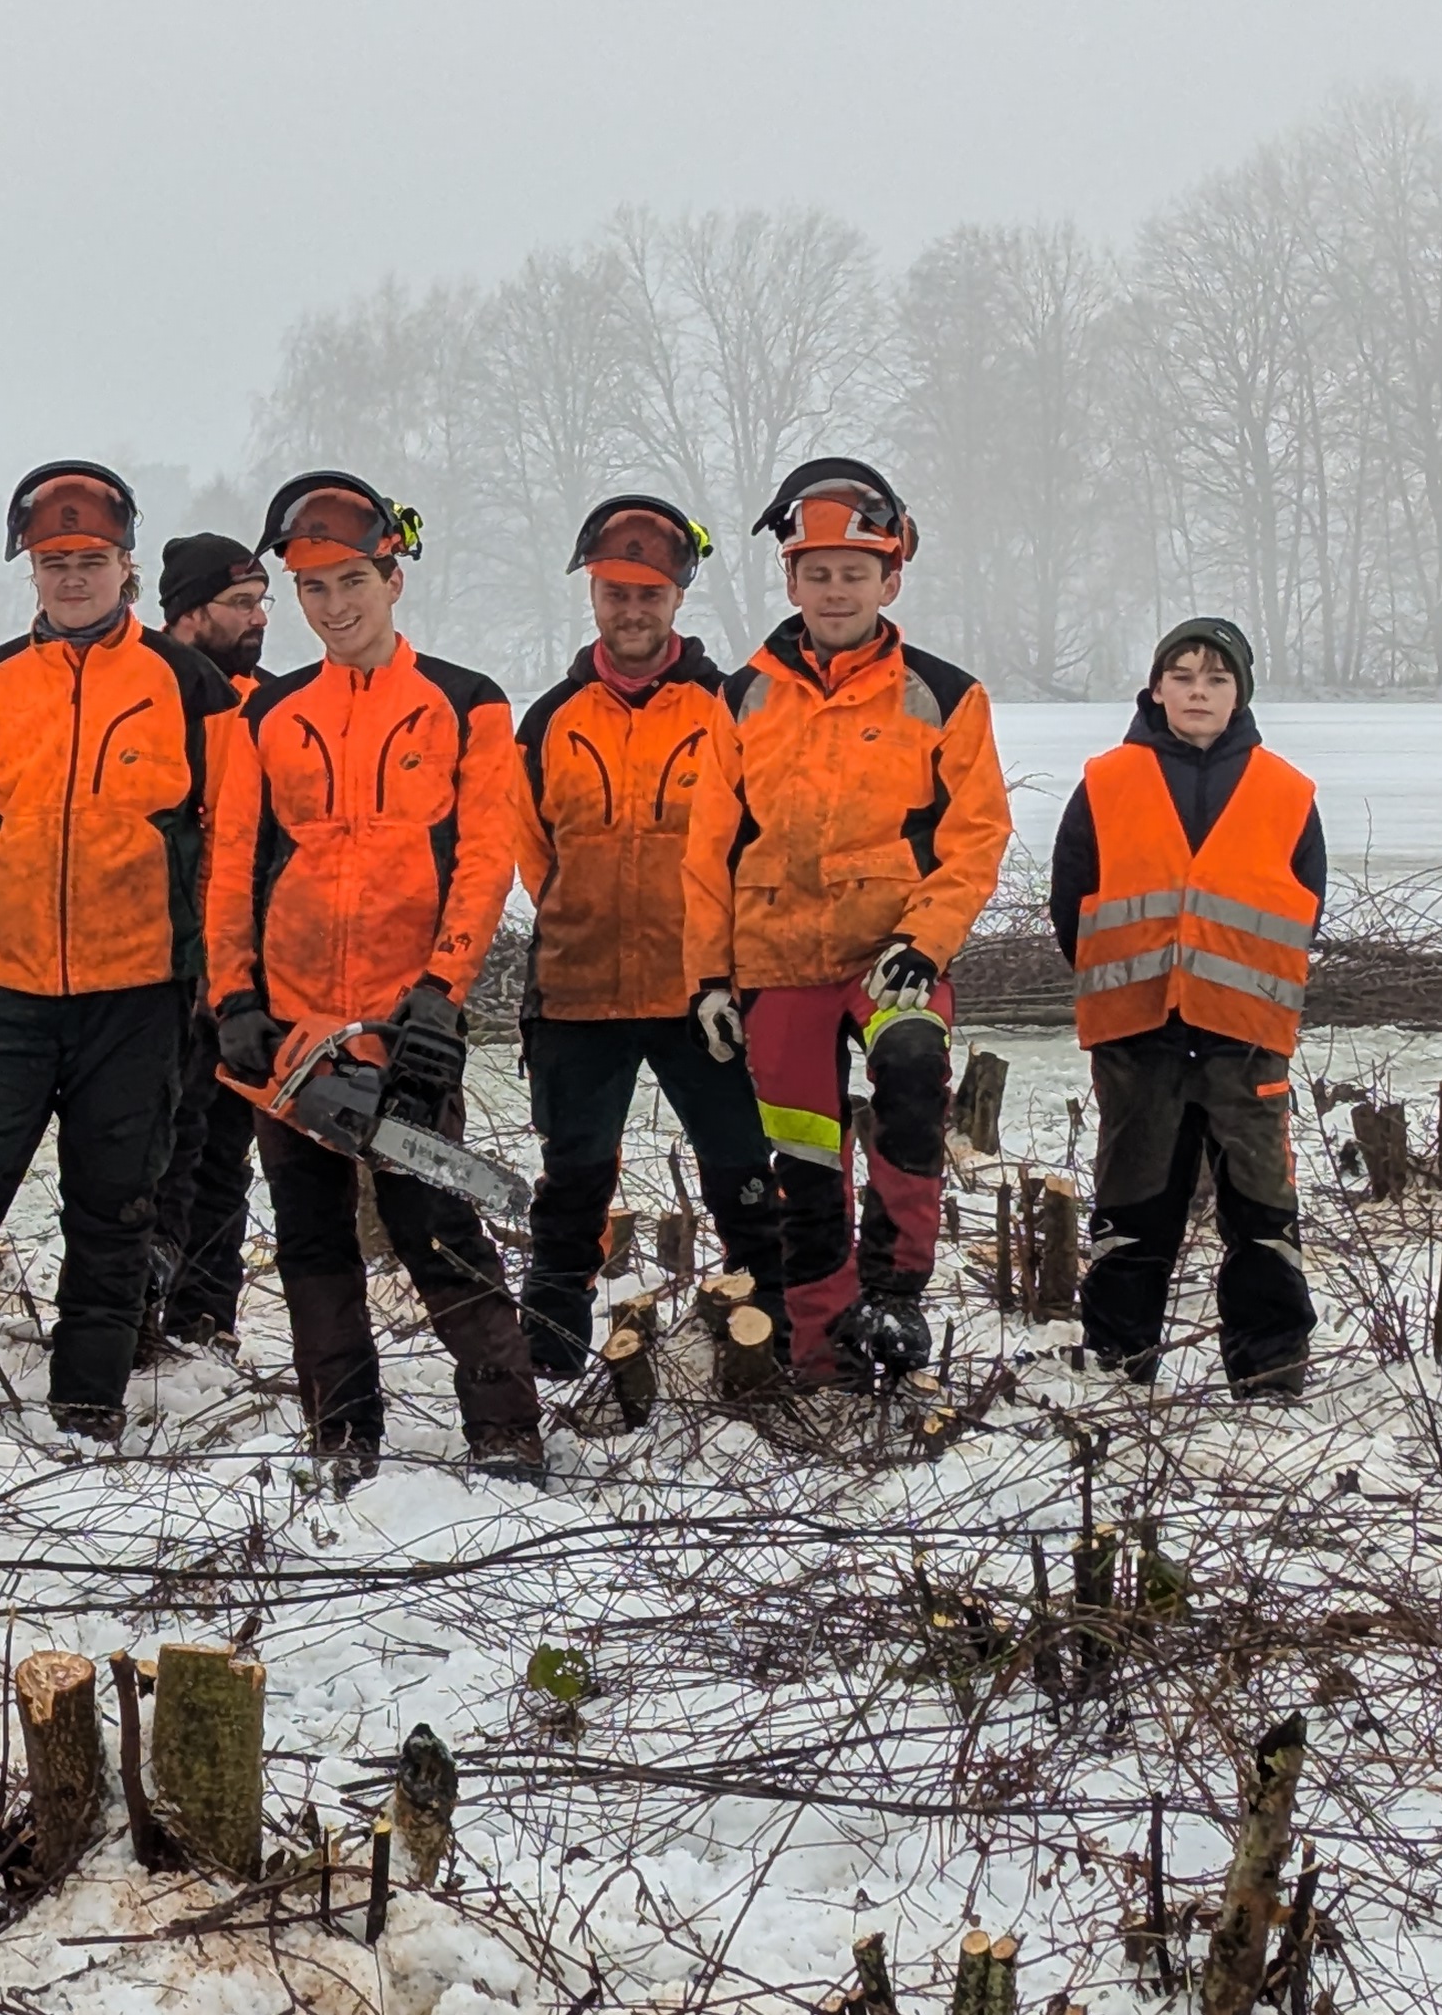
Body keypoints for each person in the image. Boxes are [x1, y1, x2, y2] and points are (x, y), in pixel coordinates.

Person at [0, 466, 248, 1433]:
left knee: (115, 1202)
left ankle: (88, 1399)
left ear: (125, 565)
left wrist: (181, 931)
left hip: (138, 990)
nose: (72, 577)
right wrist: (4, 888)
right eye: (53, 562)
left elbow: (230, 828)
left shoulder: (187, 681)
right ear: (31, 572)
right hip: (6, 983)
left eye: (90, 560)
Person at [207, 471, 536, 1477]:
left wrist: (442, 994)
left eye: (352, 581)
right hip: (293, 1029)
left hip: (403, 1018)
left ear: (393, 578)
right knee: (309, 1241)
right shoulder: (268, 715)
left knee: (436, 1224)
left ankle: (507, 1427)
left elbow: (485, 858)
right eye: (313, 589)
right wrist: (232, 1000)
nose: (335, 606)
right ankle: (342, 1432)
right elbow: (231, 866)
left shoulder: (467, 703)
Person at [685, 458, 1009, 1389]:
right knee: (803, 1157)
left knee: (911, 1075)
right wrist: (709, 977)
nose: (836, 590)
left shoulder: (945, 695)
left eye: (855, 572)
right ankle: (821, 1343)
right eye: (817, 572)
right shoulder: (741, 696)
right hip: (778, 960)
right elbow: (708, 851)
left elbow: (976, 836)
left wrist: (927, 939)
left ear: (891, 579)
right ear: (790, 580)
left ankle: (897, 1292)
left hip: (895, 956)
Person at [507, 496, 785, 1377]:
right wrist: (578, 922)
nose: (632, 609)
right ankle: (551, 1346)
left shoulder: (728, 707)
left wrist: (728, 965)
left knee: (743, 1168)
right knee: (573, 1177)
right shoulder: (551, 718)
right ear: (594, 593)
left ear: (677, 598)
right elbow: (529, 850)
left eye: (650, 593)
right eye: (616, 591)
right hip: (579, 987)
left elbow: (756, 839)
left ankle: (765, 1332)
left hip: (699, 988)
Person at [1053, 617, 1323, 1396]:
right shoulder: (1106, 781)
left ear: (1239, 693)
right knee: (1134, 1209)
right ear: (1156, 686)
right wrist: (1130, 987)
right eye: (1182, 675)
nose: (1198, 690)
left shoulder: (1287, 790)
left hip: (1246, 1039)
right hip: (1141, 1035)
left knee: (1263, 1216)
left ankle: (1270, 1374)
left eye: (1215, 678)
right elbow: (1071, 902)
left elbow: (1306, 909)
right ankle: (1116, 1367)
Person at [146, 533, 277, 1355]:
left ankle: (205, 1312)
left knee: (225, 1148)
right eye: (242, 604)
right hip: (153, 963)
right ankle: (133, 1306)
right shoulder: (149, 690)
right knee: (156, 1150)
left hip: (242, 967)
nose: (260, 618)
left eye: (262, 601)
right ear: (189, 614)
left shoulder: (265, 704)